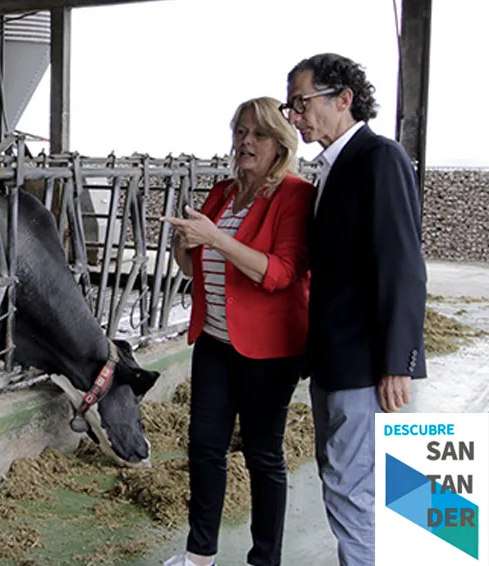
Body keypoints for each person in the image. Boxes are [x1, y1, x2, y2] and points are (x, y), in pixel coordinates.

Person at [282, 53, 427, 566]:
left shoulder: (377, 158)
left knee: (348, 485)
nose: (294, 117)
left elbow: (403, 264)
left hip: (362, 362)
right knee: (343, 477)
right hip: (333, 357)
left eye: (301, 103)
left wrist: (397, 361)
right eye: (291, 106)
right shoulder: (333, 168)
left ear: (343, 99)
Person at [159, 96, 315, 566]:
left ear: (280, 144)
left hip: (269, 349)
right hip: (215, 341)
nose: (246, 142)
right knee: (205, 446)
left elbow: (281, 273)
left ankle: (264, 560)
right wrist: (184, 244)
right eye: (241, 132)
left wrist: (216, 238)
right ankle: (199, 556)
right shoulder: (224, 192)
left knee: (262, 453)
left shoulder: (294, 195)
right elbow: (193, 268)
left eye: (259, 134)